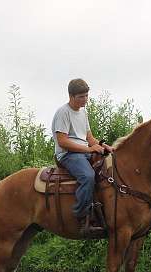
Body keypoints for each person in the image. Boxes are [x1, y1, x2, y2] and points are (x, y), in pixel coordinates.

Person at [51, 78, 114, 237]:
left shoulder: (83, 112)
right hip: (68, 154)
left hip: (83, 151)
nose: (85, 99)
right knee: (88, 176)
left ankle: (101, 210)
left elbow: (89, 138)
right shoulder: (63, 113)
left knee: (107, 171)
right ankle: (80, 215)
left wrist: (102, 145)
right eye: (81, 97)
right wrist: (88, 149)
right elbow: (63, 141)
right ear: (71, 96)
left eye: (86, 96)